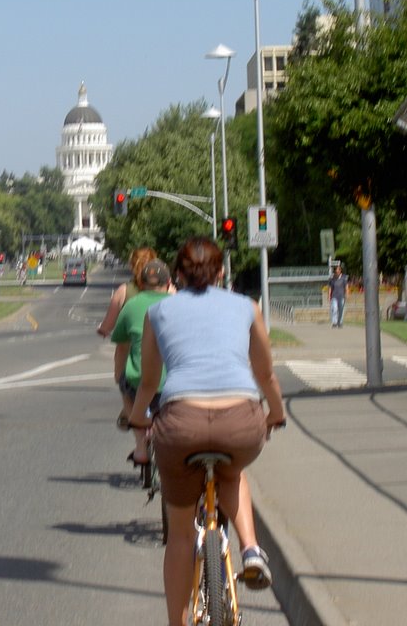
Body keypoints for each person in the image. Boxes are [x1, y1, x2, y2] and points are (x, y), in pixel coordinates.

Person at [130, 236, 285, 625]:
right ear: (221, 272)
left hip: (181, 422)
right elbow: (265, 373)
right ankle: (250, 549)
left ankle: (177, 622)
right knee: (233, 470)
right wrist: (276, 415)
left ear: (177, 275)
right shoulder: (246, 306)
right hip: (240, 419)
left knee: (180, 534)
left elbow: (149, 383)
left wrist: (137, 418)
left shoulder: (159, 313)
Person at [110, 258, 172, 465]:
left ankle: (140, 446)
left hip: (140, 382)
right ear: (169, 282)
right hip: (174, 382)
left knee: (125, 388)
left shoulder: (131, 306)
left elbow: (121, 347)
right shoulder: (177, 304)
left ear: (141, 283)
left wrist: (118, 375)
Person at [97, 247, 160, 429]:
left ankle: (131, 415)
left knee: (122, 380)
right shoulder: (169, 290)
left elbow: (108, 325)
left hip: (135, 358)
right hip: (164, 358)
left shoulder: (124, 291)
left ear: (132, 266)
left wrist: (102, 330)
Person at [328, 263, 348, 328]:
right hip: (334, 296)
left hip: (341, 296)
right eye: (336, 271)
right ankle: (334, 322)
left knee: (341, 310)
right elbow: (330, 288)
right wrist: (329, 295)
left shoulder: (344, 278)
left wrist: (347, 294)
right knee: (335, 308)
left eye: (338, 271)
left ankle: (340, 322)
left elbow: (346, 287)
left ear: (340, 271)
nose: (337, 272)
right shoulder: (332, 278)